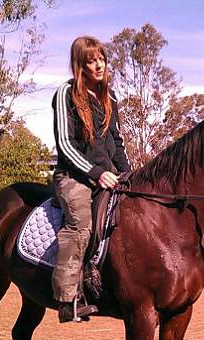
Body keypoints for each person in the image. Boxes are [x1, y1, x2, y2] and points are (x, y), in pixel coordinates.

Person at [51, 36, 130, 323]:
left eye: (101, 59)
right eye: (90, 61)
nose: (98, 65)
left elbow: (117, 143)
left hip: (108, 177)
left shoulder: (111, 99)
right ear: (79, 65)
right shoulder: (66, 93)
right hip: (74, 177)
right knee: (80, 223)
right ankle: (67, 299)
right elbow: (64, 144)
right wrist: (96, 173)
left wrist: (129, 175)